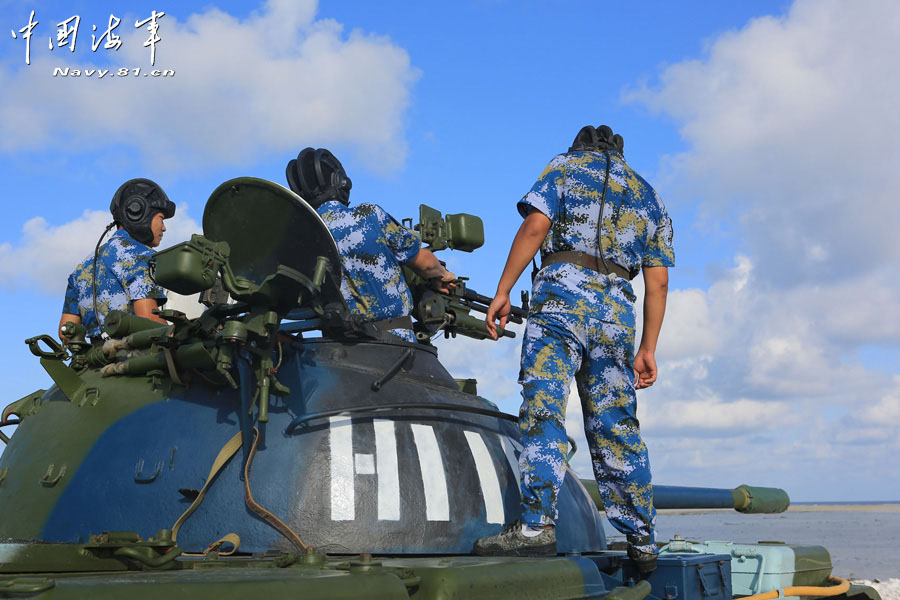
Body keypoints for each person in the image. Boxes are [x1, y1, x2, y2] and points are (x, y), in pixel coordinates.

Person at [474, 125, 674, 573]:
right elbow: (657, 279)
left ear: (580, 146)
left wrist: (503, 289)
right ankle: (642, 540)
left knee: (544, 410)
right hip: (617, 319)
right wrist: (649, 348)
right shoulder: (649, 195)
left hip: (561, 308)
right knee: (616, 427)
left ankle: (536, 527)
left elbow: (535, 227)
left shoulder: (564, 168)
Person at [285, 148, 455, 342]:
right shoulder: (368, 216)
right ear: (341, 182)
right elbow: (424, 264)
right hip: (393, 346)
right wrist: (442, 275)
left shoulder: (300, 238)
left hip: (335, 350)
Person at [59, 178, 175, 342]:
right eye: (161, 218)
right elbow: (148, 319)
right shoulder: (141, 257)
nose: (164, 227)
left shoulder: (82, 268)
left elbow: (66, 333)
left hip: (97, 364)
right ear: (139, 214)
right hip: (135, 360)